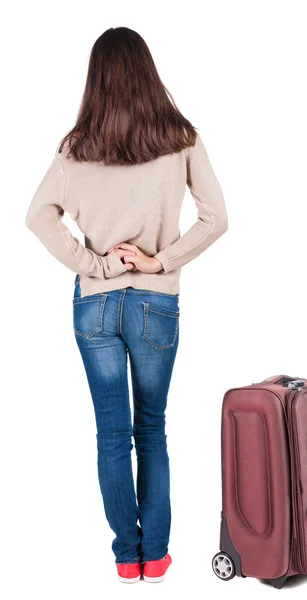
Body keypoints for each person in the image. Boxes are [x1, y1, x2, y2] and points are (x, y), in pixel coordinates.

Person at [25, 26, 228, 584]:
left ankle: (126, 558)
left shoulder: (77, 146)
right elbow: (217, 219)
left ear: (96, 80)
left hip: (95, 303)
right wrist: (157, 263)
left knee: (112, 433)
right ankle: (157, 558)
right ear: (148, 72)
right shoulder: (180, 136)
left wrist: (98, 266)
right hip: (155, 305)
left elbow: (37, 214)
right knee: (152, 429)